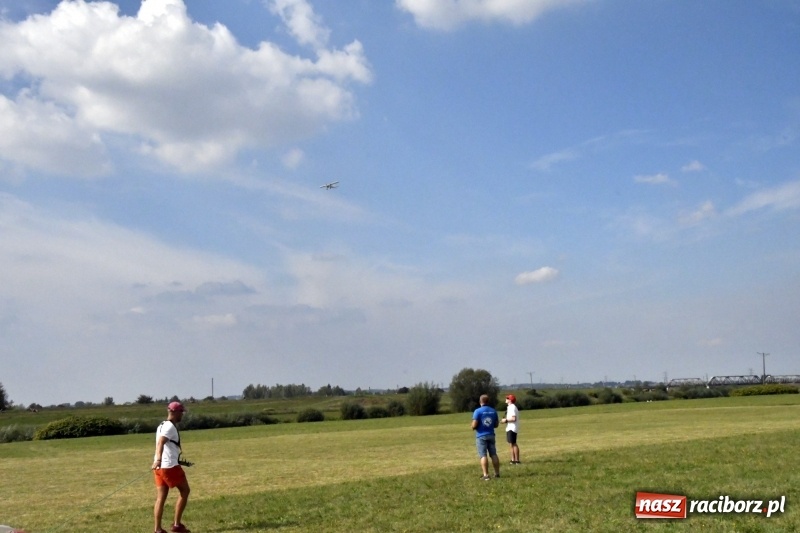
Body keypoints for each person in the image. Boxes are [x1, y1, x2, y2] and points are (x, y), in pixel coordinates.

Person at [152, 401, 191, 533]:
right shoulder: (169, 427)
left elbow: (168, 446)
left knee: (160, 498)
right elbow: (161, 443)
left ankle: (157, 530)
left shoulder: (161, 425)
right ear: (174, 412)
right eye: (181, 412)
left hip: (160, 468)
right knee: (185, 491)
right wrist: (158, 459)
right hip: (168, 466)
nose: (182, 415)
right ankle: (177, 525)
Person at [471, 394, 500, 480]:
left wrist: (472, 426)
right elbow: (496, 424)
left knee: (483, 455)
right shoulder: (493, 411)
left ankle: (486, 475)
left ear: (480, 402)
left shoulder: (477, 411)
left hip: (481, 435)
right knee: (493, 454)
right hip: (491, 434)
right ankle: (497, 473)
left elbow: (474, 425)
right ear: (488, 401)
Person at [501, 394, 520, 464]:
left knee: (513, 443)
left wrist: (505, 420)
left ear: (510, 400)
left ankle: (516, 460)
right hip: (510, 427)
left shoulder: (512, 407)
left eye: (507, 398)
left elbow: (513, 418)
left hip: (512, 428)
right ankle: (513, 459)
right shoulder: (510, 407)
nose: (506, 399)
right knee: (511, 444)